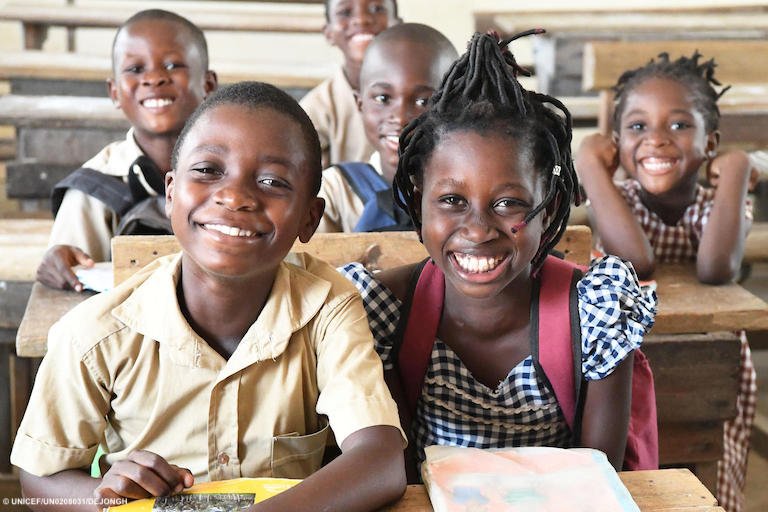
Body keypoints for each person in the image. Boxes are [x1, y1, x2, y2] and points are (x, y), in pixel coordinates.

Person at [11, 82, 406, 512]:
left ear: (310, 219)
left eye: (272, 181)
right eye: (207, 170)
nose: (235, 197)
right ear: (170, 192)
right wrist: (103, 497)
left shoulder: (328, 308)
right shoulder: (96, 333)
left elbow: (381, 460)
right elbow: (37, 477)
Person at [339, 31, 657, 482]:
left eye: (509, 203)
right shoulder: (386, 315)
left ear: (548, 205)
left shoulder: (593, 315)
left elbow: (596, 484)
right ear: (418, 200)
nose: (477, 230)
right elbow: (395, 478)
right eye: (451, 200)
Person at [575, 52, 754, 512]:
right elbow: (635, 261)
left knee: (708, 473)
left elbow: (717, 269)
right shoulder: (619, 199)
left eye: (678, 126)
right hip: (624, 366)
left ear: (710, 143)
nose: (656, 140)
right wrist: (591, 167)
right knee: (638, 476)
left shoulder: (720, 204)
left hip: (708, 361)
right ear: (615, 144)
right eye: (637, 128)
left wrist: (736, 172)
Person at [37, 9, 218, 292]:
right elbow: (72, 283)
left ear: (208, 84)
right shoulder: (92, 189)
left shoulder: (237, 170)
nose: (154, 78)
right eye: (135, 69)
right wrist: (60, 262)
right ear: (114, 92)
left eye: (173, 66)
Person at [316, 22, 458, 232]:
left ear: (455, 107)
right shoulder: (335, 192)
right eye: (383, 98)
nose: (400, 119)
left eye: (423, 101)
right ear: (360, 103)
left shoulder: (468, 190)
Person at [300, 0, 400, 169]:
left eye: (377, 8)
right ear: (328, 32)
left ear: (397, 25)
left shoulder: (427, 93)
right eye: (345, 12)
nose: (361, 20)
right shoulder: (315, 111)